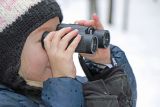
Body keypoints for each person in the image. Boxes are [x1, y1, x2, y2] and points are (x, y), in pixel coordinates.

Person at [0, 0, 137, 107]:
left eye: (59, 31)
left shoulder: (75, 86)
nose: (57, 43)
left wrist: (105, 67)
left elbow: (124, 103)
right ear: (10, 56)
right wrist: (63, 84)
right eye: (45, 38)